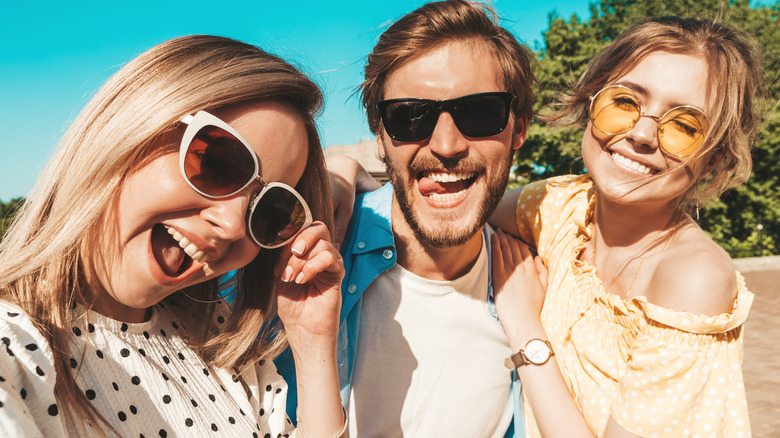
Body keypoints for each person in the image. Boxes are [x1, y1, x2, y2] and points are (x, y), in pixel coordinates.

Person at [0, 35, 347, 437]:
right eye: (218, 162)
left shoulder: (222, 348)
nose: (233, 225)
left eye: (269, 210)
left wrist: (312, 345)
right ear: (129, 128)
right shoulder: (15, 345)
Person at [489, 16, 760, 437]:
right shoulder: (560, 205)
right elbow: (456, 215)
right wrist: (346, 181)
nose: (643, 134)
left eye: (685, 126)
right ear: (591, 101)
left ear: (714, 159)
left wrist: (526, 329)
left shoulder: (692, 279)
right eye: (625, 102)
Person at [276, 1, 537, 436]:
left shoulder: (541, 290)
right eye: (409, 117)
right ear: (380, 136)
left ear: (519, 129)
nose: (447, 144)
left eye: (479, 112)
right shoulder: (299, 251)